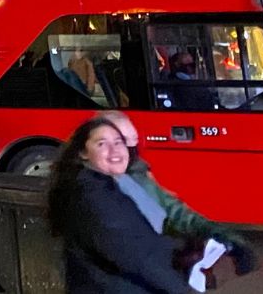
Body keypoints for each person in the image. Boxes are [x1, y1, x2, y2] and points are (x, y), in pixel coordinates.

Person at [91, 111, 257, 280]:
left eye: (128, 142)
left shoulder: (134, 176)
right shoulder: (87, 189)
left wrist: (227, 238)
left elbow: (173, 214)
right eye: (110, 142)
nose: (118, 152)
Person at [46, 117, 193, 294]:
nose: (114, 151)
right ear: (83, 152)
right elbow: (137, 255)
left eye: (119, 142)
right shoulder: (96, 196)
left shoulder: (98, 185)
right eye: (101, 144)